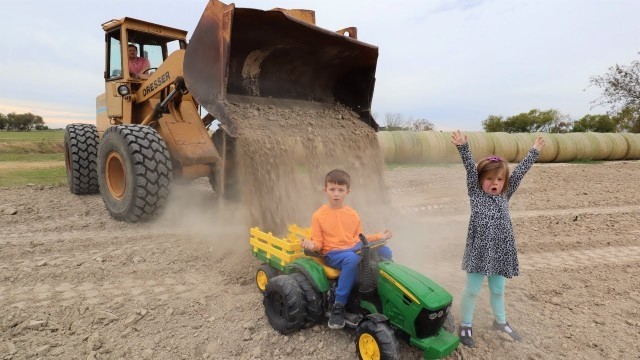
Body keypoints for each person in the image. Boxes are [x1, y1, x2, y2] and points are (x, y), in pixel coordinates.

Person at [450, 130, 544, 347]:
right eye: (490, 179)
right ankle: (466, 324)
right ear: (480, 180)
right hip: (479, 251)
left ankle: (500, 321)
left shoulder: (504, 194)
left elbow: (519, 172)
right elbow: (469, 169)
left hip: (501, 250)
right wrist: (463, 147)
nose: (495, 183)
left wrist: (534, 152)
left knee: (498, 290)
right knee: (472, 290)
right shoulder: (475, 193)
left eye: (499, 179)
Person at [301, 169, 392, 329]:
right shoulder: (318, 216)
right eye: (332, 189)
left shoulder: (352, 214)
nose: (336, 194)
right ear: (325, 190)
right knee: (352, 259)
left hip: (353, 247)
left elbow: (360, 238)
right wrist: (310, 244)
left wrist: (380, 236)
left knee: (385, 251)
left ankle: (385, 290)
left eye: (340, 190)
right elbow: (318, 244)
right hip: (333, 253)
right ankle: (338, 306)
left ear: (347, 192)